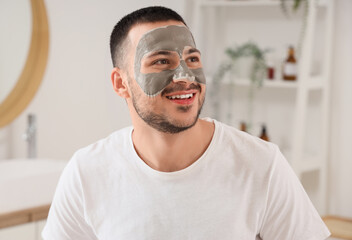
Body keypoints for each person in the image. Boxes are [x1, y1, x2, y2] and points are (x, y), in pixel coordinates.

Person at [42, 6, 331, 240]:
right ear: (121, 83)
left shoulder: (261, 164)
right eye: (161, 62)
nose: (185, 75)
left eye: (192, 59)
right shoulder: (87, 172)